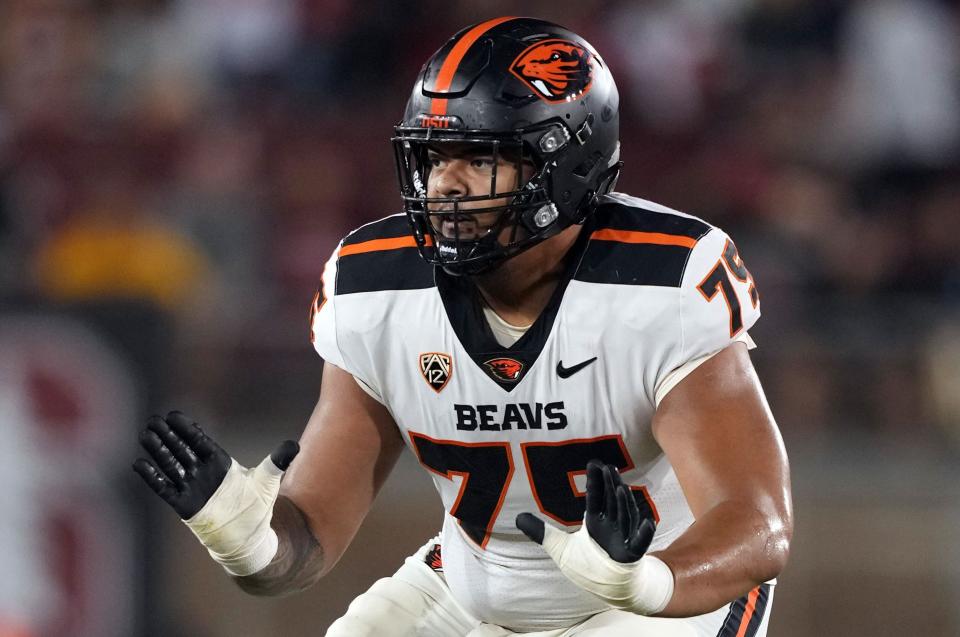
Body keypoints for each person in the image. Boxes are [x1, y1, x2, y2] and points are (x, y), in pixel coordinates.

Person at [134, 17, 792, 637]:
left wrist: (642, 580)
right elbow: (302, 547)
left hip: (665, 592)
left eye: (479, 158)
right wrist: (248, 540)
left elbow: (759, 525)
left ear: (565, 167)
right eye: (434, 156)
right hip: (477, 585)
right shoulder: (377, 290)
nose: (445, 184)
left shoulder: (656, 284)